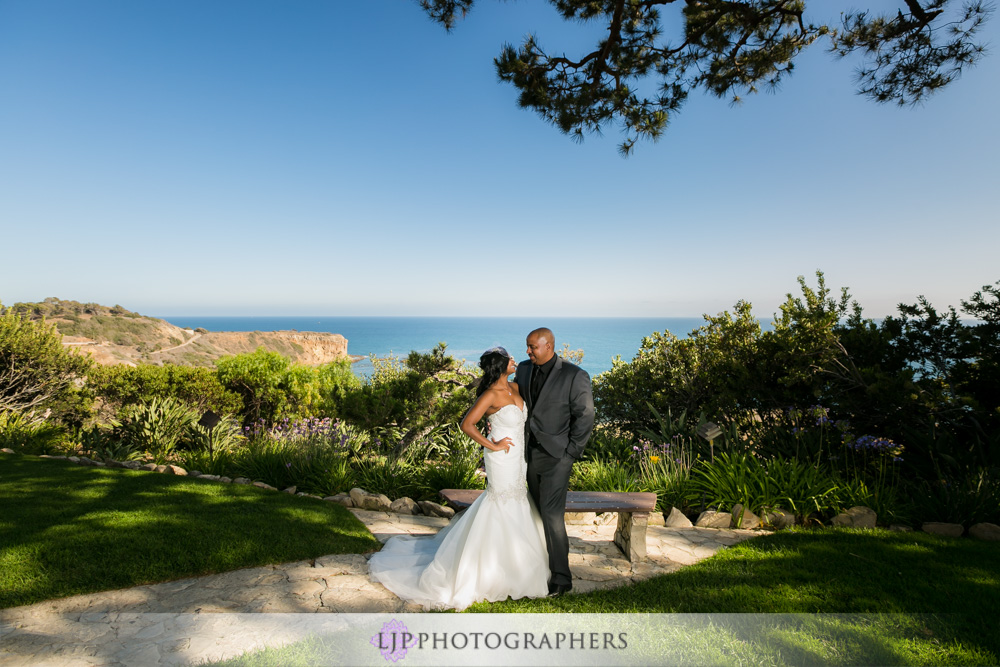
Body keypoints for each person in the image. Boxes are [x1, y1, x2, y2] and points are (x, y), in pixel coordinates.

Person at [366, 346, 550, 610]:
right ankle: (490, 571)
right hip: (500, 458)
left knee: (518, 500)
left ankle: (518, 564)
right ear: (499, 366)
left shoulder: (518, 388)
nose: (514, 361)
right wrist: (492, 444)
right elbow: (467, 424)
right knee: (500, 502)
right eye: (509, 359)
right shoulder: (490, 394)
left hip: (519, 457)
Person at [516, 327, 595, 597]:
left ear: (548, 346)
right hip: (528, 455)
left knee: (551, 515)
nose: (527, 351)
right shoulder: (524, 370)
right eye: (527, 346)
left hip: (558, 456)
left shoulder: (575, 375)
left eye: (532, 347)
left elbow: (585, 415)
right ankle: (539, 568)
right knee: (536, 513)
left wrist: (571, 452)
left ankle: (561, 579)